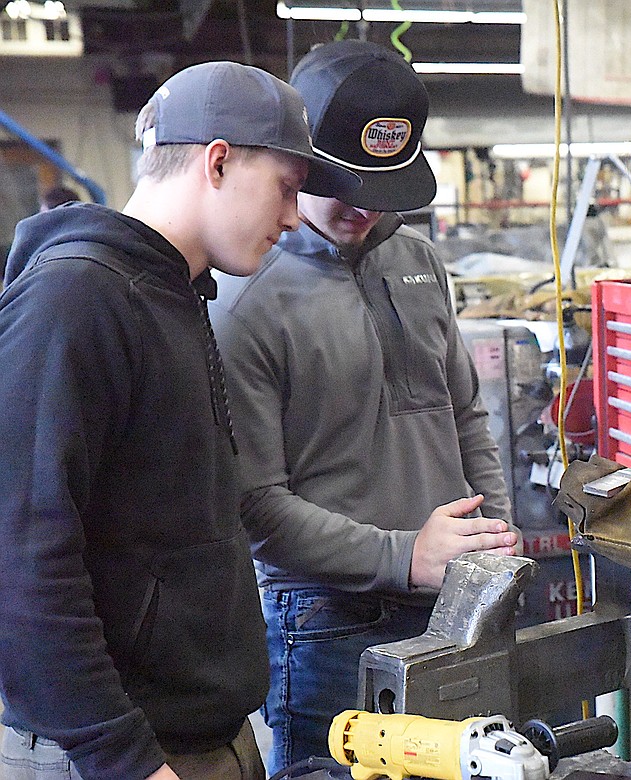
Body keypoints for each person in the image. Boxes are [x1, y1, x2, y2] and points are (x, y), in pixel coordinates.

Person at [0, 61, 358, 780]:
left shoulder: (176, 292)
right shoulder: (77, 299)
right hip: (113, 755)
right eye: (286, 189)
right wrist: (120, 755)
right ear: (218, 161)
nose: (293, 218)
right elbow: (22, 558)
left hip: (203, 737)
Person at [208, 40, 517, 773]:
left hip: (453, 601)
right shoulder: (243, 297)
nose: (364, 207)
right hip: (327, 626)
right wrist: (404, 555)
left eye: (384, 186)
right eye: (342, 181)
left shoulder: (418, 262)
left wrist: (496, 543)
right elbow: (255, 505)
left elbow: (465, 415)